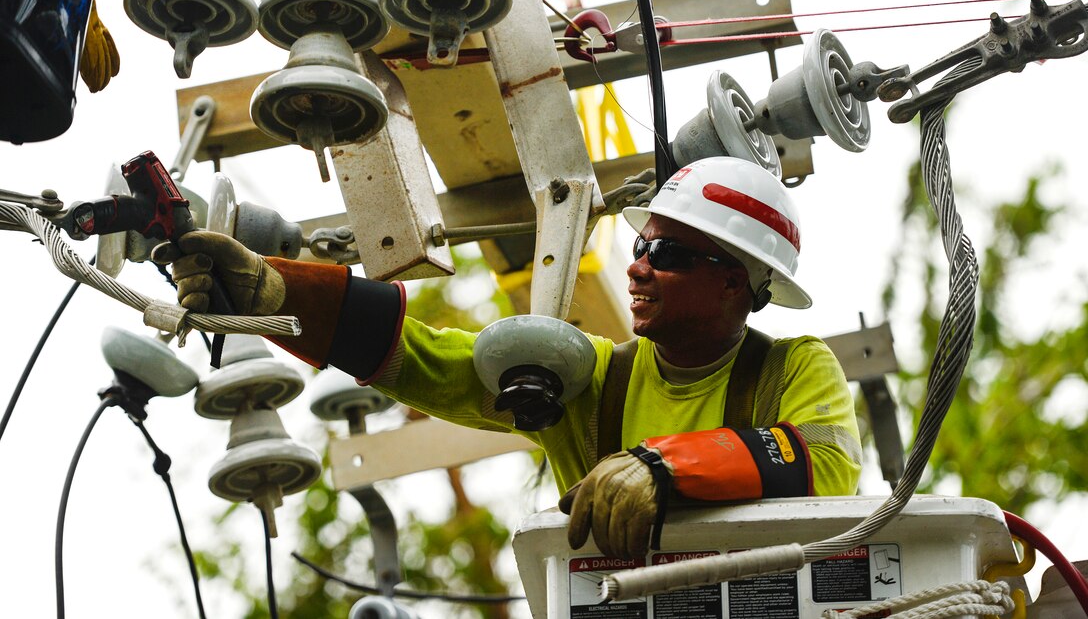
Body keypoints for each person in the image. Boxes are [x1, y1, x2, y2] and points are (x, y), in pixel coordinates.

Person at [154, 156, 861, 559]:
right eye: (641, 246)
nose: (639, 267)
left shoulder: (791, 369)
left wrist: (658, 466)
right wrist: (277, 293)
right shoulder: (595, 380)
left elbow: (821, 465)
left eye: (667, 254)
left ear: (736, 280)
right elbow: (430, 359)